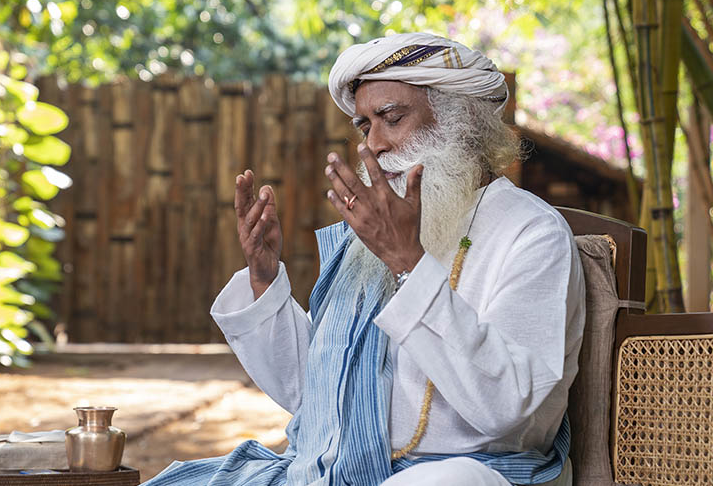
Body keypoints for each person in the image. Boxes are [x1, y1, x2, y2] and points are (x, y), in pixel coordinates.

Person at [142, 32, 585, 486]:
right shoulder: (369, 243)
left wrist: (408, 262)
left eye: (391, 118)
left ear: (461, 120)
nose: (373, 144)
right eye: (364, 126)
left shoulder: (531, 233)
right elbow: (313, 396)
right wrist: (263, 277)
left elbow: (507, 409)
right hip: (333, 471)